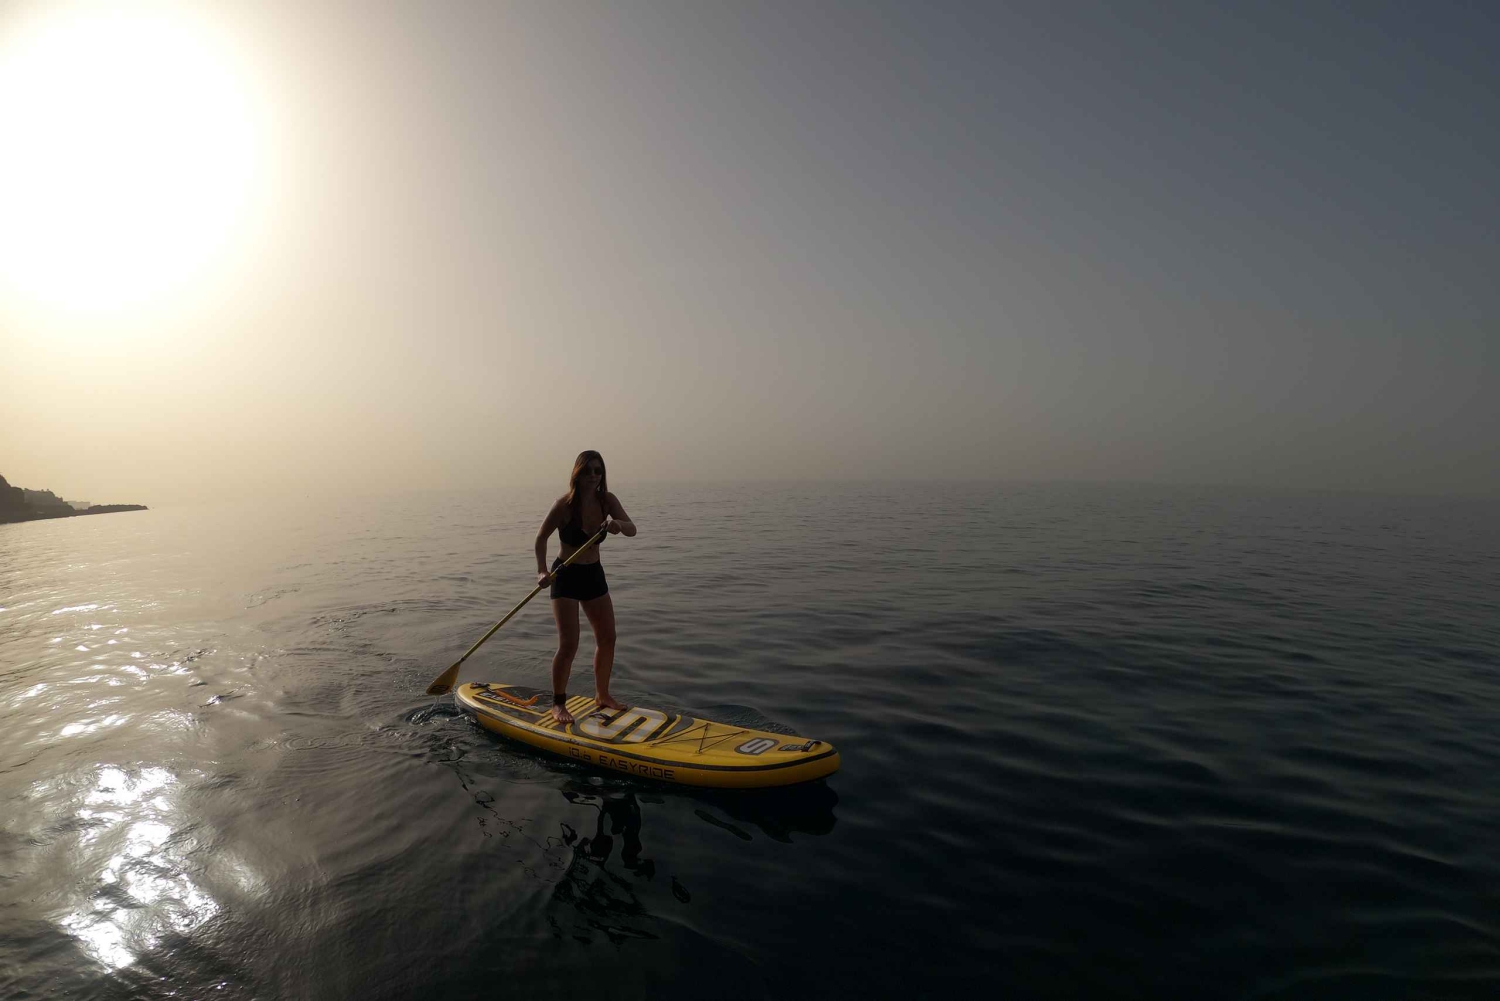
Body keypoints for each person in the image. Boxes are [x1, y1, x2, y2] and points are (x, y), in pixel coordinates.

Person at [535, 450, 636, 724]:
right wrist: (542, 571)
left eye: (598, 470)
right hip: (565, 576)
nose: (594, 475)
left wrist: (617, 525)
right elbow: (540, 538)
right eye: (588, 470)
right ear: (577, 474)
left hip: (594, 575)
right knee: (569, 644)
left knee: (608, 638)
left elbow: (632, 528)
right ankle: (558, 704)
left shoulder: (608, 501)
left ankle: (602, 695)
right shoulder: (563, 506)